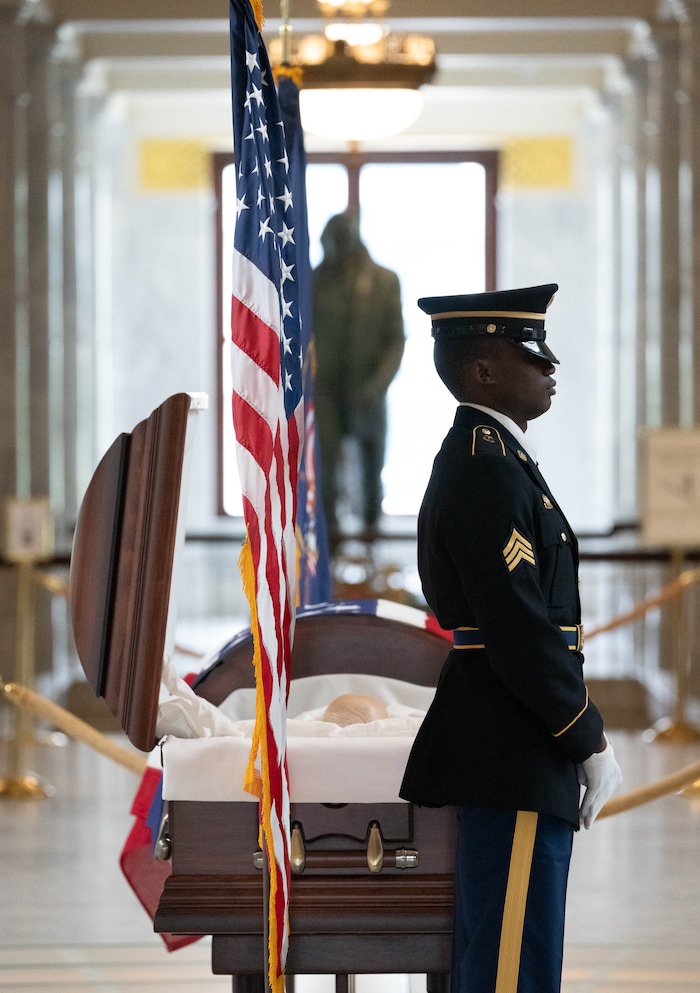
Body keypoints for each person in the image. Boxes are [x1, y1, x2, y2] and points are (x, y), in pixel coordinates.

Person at [399, 284, 622, 993]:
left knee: (511, 958)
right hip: (513, 744)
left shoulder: (496, 457)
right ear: (482, 372)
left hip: (515, 742)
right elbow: (518, 626)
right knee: (509, 970)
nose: (549, 366)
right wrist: (583, 733)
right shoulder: (484, 467)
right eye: (531, 353)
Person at [312, 212, 405, 536]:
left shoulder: (384, 280)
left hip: (368, 392)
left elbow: (395, 340)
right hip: (324, 392)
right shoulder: (312, 281)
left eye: (344, 238)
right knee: (323, 472)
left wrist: (377, 385)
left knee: (371, 468)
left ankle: (371, 539)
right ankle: (330, 548)